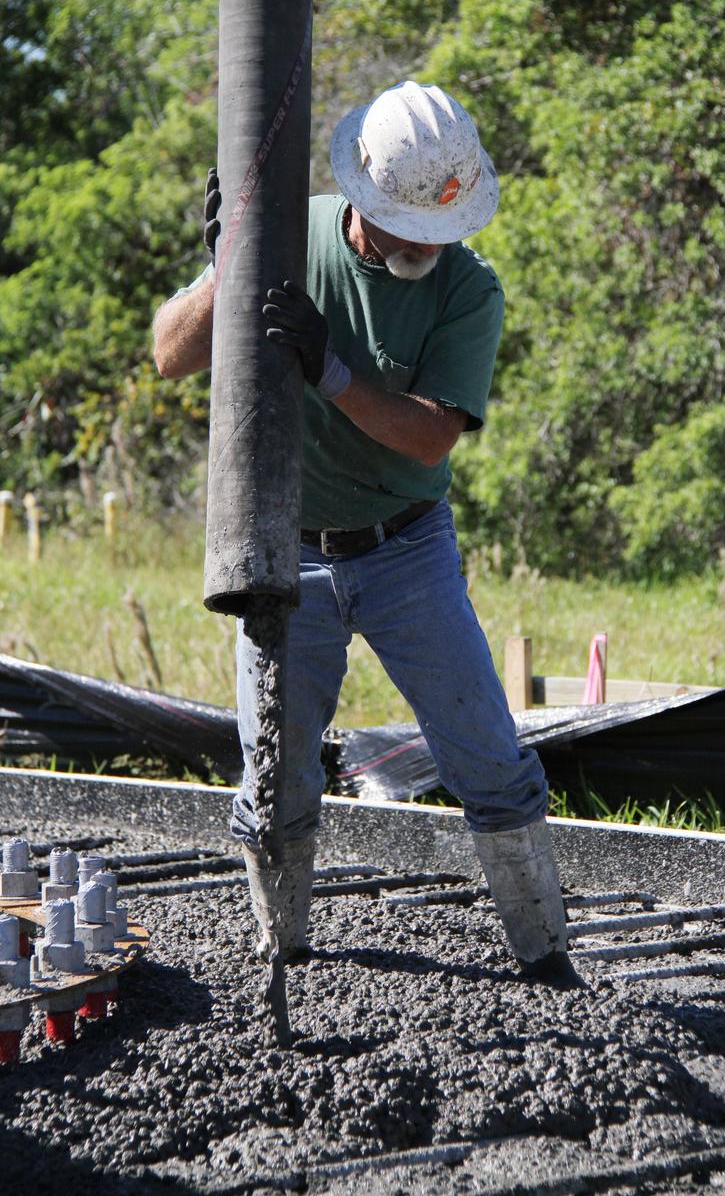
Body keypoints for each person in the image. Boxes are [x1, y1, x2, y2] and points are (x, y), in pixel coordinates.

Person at [153, 80, 583, 990]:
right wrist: (231, 267)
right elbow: (168, 354)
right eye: (409, 225)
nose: (430, 243)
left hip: (406, 549)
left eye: (443, 224)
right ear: (360, 200)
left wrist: (332, 371)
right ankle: (285, 954)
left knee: (489, 759)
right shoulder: (288, 238)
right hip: (287, 553)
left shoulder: (468, 290)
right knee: (276, 777)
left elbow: (430, 434)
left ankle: (546, 961)